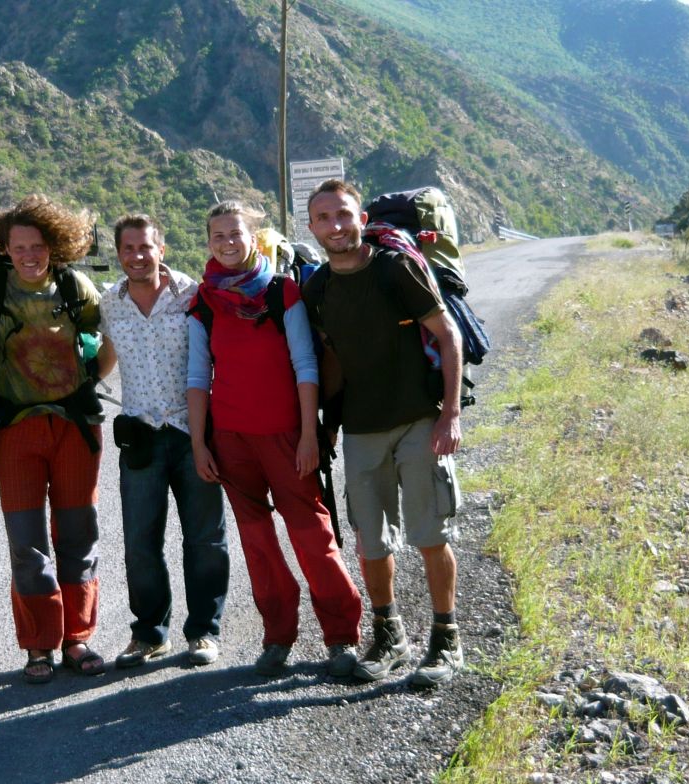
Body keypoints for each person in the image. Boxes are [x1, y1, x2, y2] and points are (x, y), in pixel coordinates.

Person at [186, 200, 362, 677]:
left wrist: (311, 434)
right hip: (231, 440)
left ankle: (342, 636)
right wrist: (201, 444)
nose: (227, 243)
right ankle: (278, 637)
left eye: (235, 234)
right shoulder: (204, 301)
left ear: (252, 237)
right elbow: (198, 377)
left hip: (286, 436)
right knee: (258, 544)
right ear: (208, 242)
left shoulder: (283, 292)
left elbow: (305, 366)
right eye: (218, 236)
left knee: (312, 535)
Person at [303, 178, 465, 687]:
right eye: (324, 218)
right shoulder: (318, 287)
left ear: (361, 219)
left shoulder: (395, 268)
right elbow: (330, 358)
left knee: (430, 534)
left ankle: (446, 640)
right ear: (311, 227)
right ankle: (389, 636)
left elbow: (448, 334)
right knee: (371, 542)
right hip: (361, 430)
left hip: (419, 420)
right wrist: (326, 426)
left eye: (344, 215)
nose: (336, 225)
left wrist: (451, 413)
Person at [0, 195, 107, 684]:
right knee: (27, 542)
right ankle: (39, 645)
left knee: (78, 534)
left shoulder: (76, 287)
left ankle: (77, 638)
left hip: (74, 426)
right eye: (19, 246)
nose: (29, 255)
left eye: (37, 246)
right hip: (15, 429)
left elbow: (103, 342)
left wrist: (92, 380)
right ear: (5, 248)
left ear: (52, 246)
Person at [98, 214, 230, 669]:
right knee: (140, 542)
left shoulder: (194, 296)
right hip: (140, 440)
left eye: (146, 247)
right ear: (119, 254)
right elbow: (104, 357)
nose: (138, 256)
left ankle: (204, 632)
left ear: (162, 249)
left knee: (205, 539)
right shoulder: (109, 304)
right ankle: (150, 634)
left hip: (194, 435)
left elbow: (222, 355)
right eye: (128, 248)